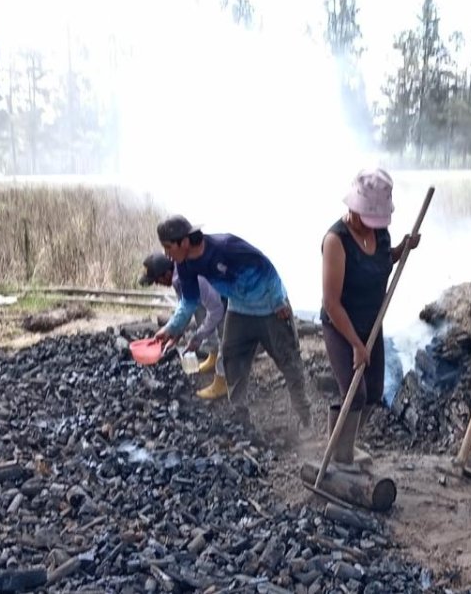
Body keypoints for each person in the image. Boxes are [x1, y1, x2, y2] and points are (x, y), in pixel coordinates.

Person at [153, 215, 312, 427]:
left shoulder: (225, 246)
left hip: (271, 307)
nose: (166, 254)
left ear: (184, 241)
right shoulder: (184, 265)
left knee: (289, 361)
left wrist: (278, 301)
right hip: (239, 309)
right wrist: (171, 327)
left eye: (168, 247)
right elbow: (188, 302)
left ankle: (305, 419)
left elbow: (267, 269)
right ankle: (241, 417)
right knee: (231, 359)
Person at [320, 168, 419, 472]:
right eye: (368, 218)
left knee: (374, 392)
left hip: (371, 323)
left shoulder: (379, 233)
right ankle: (339, 457)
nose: (372, 226)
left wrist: (401, 250)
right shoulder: (336, 241)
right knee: (355, 392)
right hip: (342, 325)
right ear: (354, 207)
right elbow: (332, 303)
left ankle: (343, 445)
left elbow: (378, 262)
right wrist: (355, 344)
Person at [140, 252, 229, 400]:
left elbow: (216, 310)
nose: (157, 284)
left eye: (157, 280)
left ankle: (222, 380)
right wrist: (176, 332)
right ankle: (213, 355)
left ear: (166, 273)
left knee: (225, 335)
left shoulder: (186, 275)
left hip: (226, 297)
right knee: (200, 311)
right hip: (210, 298)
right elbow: (186, 306)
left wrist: (196, 337)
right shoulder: (176, 277)